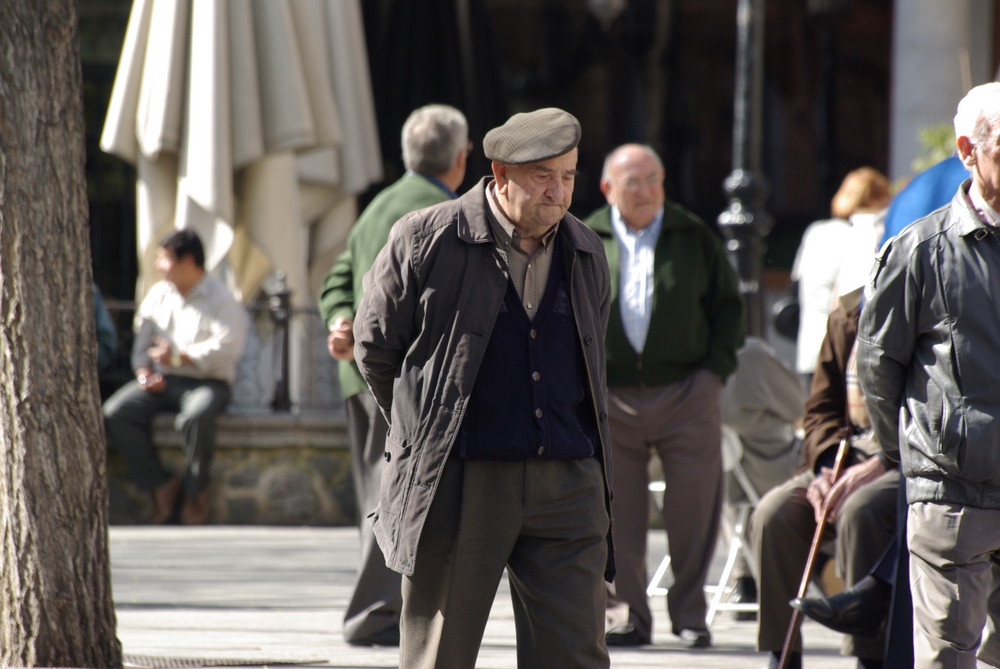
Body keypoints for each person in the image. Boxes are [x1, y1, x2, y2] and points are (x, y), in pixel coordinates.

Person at [353, 107, 614, 668]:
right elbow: (375, 347)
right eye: (543, 174)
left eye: (568, 175)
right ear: (499, 174)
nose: (559, 190)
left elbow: (591, 359)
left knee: (576, 656)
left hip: (568, 482)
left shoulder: (588, 251)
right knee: (440, 655)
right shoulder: (426, 238)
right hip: (460, 480)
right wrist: (425, 430)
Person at [857, 81, 1000, 668]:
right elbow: (877, 365)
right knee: (946, 656)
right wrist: (919, 458)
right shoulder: (920, 250)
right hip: (953, 493)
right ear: (969, 149)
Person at [316, 104, 469, 647]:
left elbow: (336, 277)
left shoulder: (378, 203)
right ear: (461, 157)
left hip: (359, 375)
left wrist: (339, 320)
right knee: (400, 497)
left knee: (377, 497)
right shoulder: (446, 216)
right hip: (400, 379)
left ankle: (377, 611)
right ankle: (375, 614)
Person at [584, 143, 746, 648]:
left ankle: (691, 614)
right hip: (610, 397)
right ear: (609, 188)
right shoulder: (584, 236)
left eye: (654, 178)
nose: (647, 190)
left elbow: (728, 308)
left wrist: (712, 376)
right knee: (615, 512)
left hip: (686, 392)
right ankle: (627, 614)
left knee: (694, 507)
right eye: (634, 182)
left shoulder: (692, 234)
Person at [751, 297, 899, 669]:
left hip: (905, 455)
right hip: (847, 450)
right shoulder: (848, 314)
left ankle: (868, 655)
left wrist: (885, 460)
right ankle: (781, 652)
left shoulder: (927, 305)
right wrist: (825, 468)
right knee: (773, 513)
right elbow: (819, 409)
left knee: (860, 509)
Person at [103, 229, 247, 525]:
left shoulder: (222, 298)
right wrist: (144, 375)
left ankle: (196, 493)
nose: (158, 265)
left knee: (195, 417)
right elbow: (141, 348)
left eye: (164, 259)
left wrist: (180, 357)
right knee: (116, 412)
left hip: (208, 383)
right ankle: (161, 485)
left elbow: (227, 349)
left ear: (189, 261)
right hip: (162, 381)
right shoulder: (157, 295)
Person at [720, 335, 806, 616]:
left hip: (728, 478)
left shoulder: (693, 360)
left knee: (734, 490)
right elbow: (798, 405)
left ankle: (743, 578)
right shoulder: (751, 354)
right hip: (775, 470)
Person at [790, 168, 890, 389]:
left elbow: (796, 281)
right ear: (875, 199)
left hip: (811, 342)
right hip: (843, 345)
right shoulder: (861, 234)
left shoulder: (815, 231)